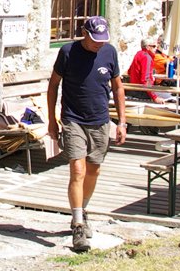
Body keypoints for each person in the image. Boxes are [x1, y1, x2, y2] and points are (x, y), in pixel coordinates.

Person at [47, 16, 127, 252]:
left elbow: (118, 87)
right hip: (73, 119)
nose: (98, 44)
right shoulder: (68, 52)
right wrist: (52, 121)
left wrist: (122, 122)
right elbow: (53, 85)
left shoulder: (109, 52)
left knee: (94, 169)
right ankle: (78, 225)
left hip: (100, 120)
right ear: (84, 33)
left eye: (102, 40)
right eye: (94, 40)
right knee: (78, 170)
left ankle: (83, 209)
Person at [125, 38, 176, 103]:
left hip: (134, 89)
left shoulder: (138, 54)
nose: (156, 49)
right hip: (142, 91)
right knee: (170, 96)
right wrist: (155, 97)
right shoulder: (147, 58)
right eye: (154, 46)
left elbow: (129, 71)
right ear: (148, 47)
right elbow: (146, 80)